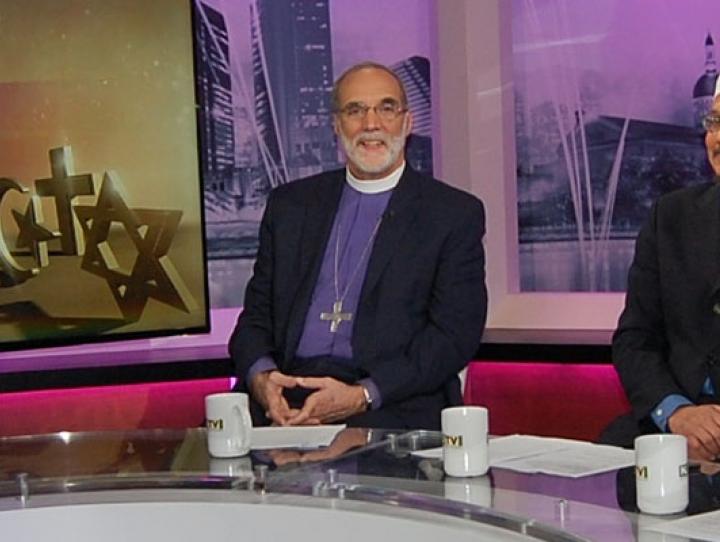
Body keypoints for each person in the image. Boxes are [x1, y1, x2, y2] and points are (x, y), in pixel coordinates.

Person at [229, 61, 487, 430]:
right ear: (336, 125)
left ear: (407, 122)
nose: (371, 124)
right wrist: (262, 379)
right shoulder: (290, 206)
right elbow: (254, 319)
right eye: (355, 110)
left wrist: (361, 396)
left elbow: (452, 337)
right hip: (283, 401)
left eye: (386, 108)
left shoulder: (451, 214)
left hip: (390, 403)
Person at [609, 79, 720, 461]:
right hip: (675, 428)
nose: (718, 138)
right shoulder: (670, 216)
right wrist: (676, 412)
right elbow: (634, 340)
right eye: (716, 122)